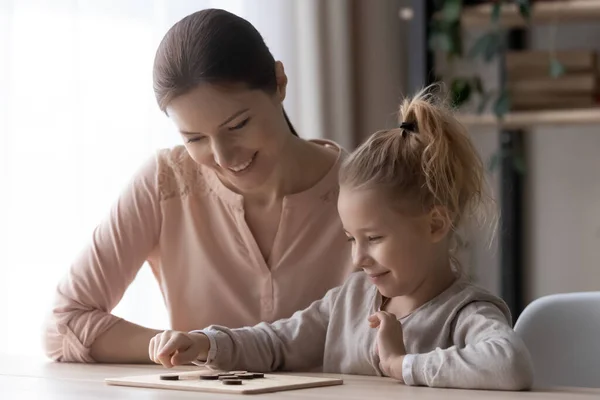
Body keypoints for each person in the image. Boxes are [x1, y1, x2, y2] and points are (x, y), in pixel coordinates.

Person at [148, 87, 534, 390]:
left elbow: (509, 365)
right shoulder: (349, 302)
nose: (358, 258)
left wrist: (404, 366)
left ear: (435, 225)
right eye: (351, 238)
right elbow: (278, 343)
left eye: (374, 238)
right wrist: (206, 344)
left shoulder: (464, 314)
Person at [42, 9, 353, 363]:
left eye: (238, 125)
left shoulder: (366, 188)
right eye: (194, 138)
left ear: (279, 82)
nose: (222, 156)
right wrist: (177, 346)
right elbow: (62, 326)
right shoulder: (165, 182)